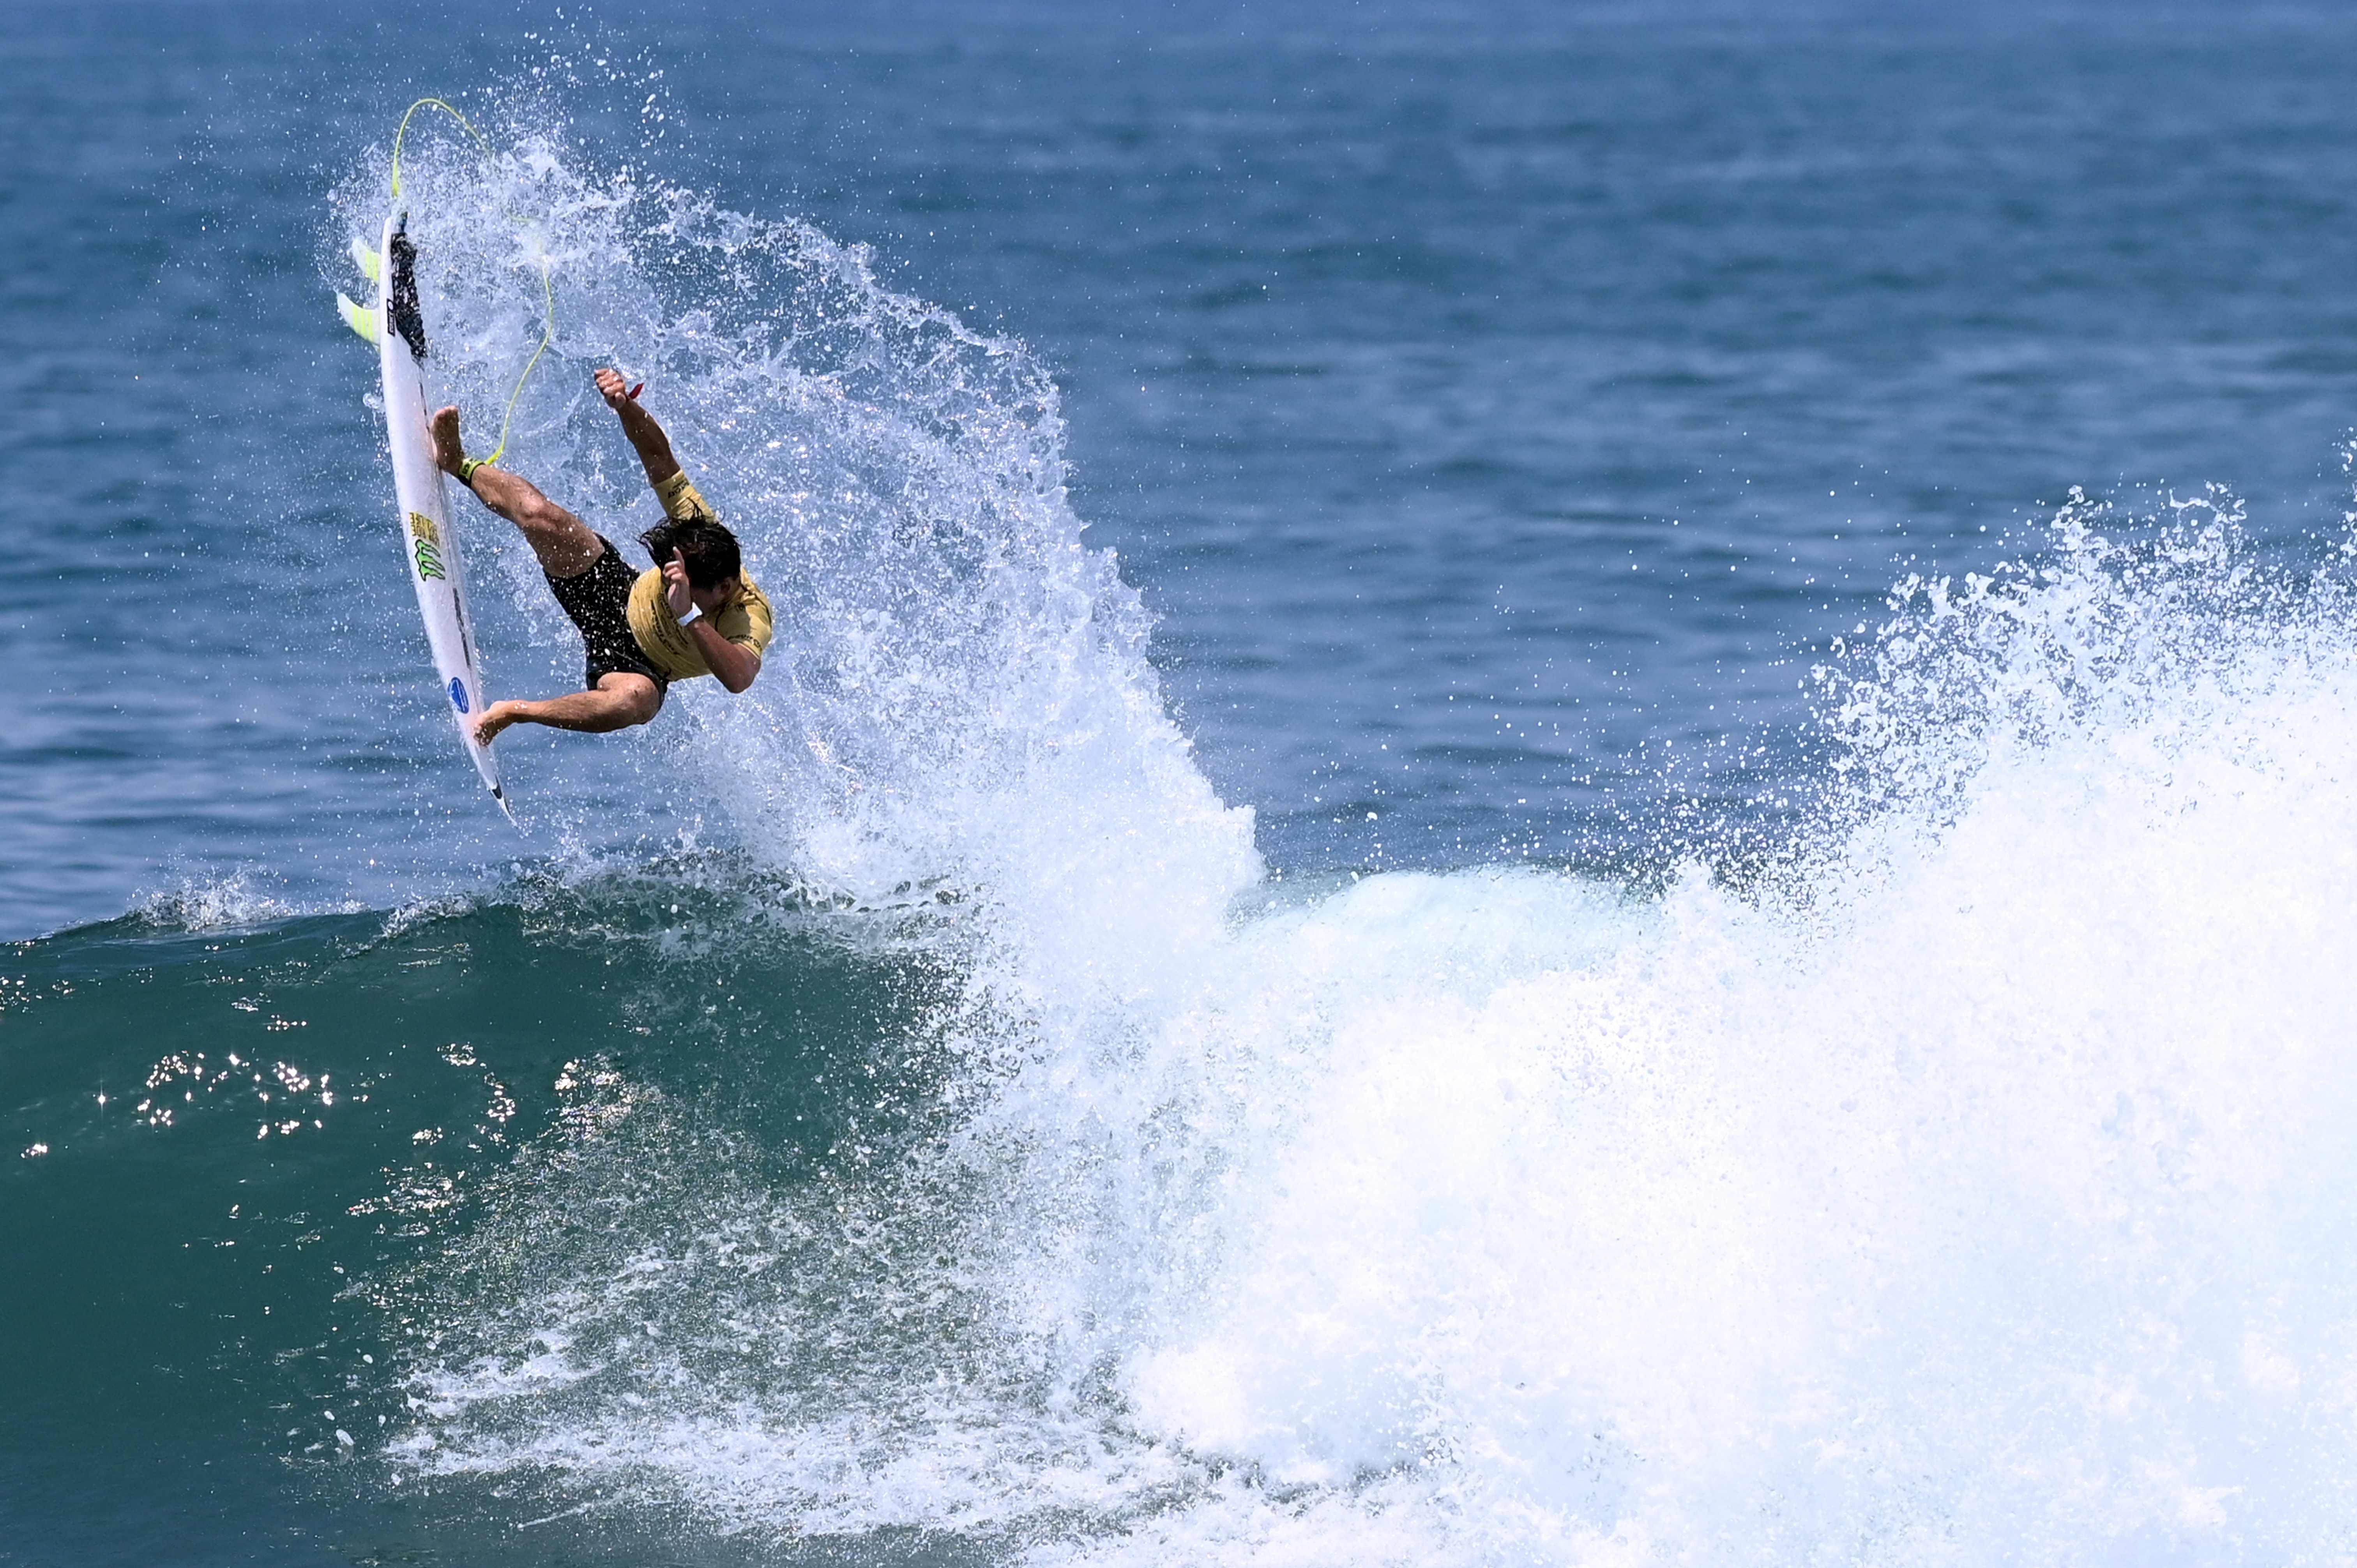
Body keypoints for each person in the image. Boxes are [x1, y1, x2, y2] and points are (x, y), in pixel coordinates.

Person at [428, 369, 772, 746]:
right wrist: (626, 407)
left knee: (632, 703)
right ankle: (457, 462)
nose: (672, 583)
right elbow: (659, 457)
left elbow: (739, 678)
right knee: (542, 516)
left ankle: (515, 712)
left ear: (724, 587)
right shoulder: (699, 527)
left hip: (639, 666)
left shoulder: (749, 616)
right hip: (615, 590)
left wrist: (687, 613)